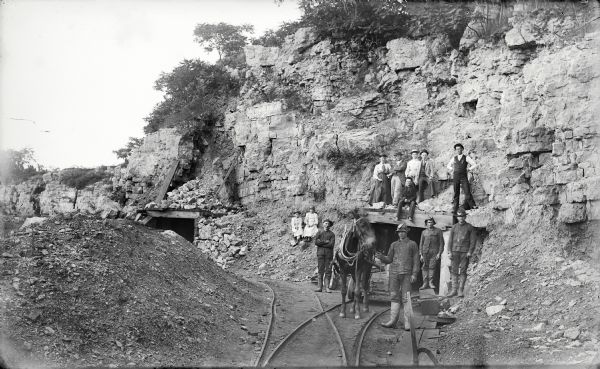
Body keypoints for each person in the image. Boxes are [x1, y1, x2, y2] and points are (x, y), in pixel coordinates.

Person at [376, 223, 419, 330]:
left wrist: (414, 274)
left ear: (406, 232)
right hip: (394, 273)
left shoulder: (412, 244)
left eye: (403, 232)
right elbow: (389, 259)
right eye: (399, 232)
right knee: (394, 296)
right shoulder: (393, 244)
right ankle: (392, 321)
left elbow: (416, 260)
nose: (401, 234)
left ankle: (408, 323)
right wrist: (382, 257)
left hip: (406, 274)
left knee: (406, 298)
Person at [446, 208, 477, 298]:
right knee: (454, 271)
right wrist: (449, 252)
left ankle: (460, 290)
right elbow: (450, 241)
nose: (461, 218)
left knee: (463, 271)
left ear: (465, 217)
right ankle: (454, 290)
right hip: (454, 251)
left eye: (462, 216)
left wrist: (470, 251)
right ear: (457, 217)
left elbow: (473, 241)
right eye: (459, 216)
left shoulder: (469, 227)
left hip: (464, 252)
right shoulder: (454, 227)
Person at [446, 143, 478, 215]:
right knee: (456, 192)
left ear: (462, 149)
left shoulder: (466, 157)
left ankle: (473, 206)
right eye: (456, 149)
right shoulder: (454, 158)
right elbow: (448, 165)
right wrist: (452, 169)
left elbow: (474, 164)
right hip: (456, 176)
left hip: (463, 176)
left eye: (459, 149)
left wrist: (469, 169)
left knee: (467, 191)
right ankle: (455, 207)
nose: (458, 150)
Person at [419, 216, 444, 289]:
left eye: (431, 222)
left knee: (432, 267)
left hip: (434, 252)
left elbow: (441, 243)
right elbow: (421, 243)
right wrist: (421, 254)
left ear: (433, 223)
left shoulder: (438, 231)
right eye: (428, 222)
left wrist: (439, 253)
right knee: (424, 267)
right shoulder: (423, 232)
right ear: (426, 223)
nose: (430, 224)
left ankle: (430, 282)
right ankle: (425, 283)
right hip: (425, 252)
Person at [314, 219, 335, 293]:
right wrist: (325, 242)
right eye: (325, 223)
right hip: (320, 254)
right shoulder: (319, 232)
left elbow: (331, 244)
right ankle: (319, 287)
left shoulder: (332, 234)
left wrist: (321, 243)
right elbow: (316, 242)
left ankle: (327, 287)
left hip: (329, 255)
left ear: (330, 225)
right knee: (320, 270)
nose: (327, 225)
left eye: (328, 224)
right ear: (323, 224)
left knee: (328, 270)